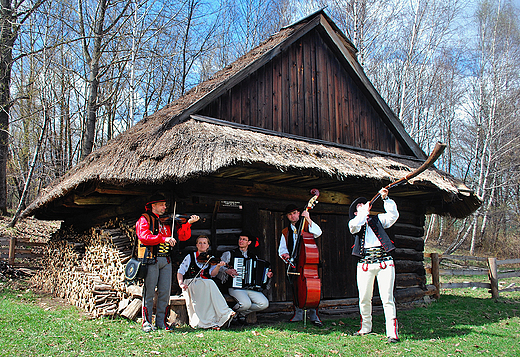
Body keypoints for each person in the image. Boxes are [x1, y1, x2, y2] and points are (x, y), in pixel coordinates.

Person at [135, 193, 200, 332]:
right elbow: (144, 236)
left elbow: (182, 236)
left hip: (166, 260)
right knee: (149, 292)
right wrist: (162, 239)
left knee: (165, 292)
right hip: (151, 259)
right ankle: (146, 322)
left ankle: (161, 322)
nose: (165, 207)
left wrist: (188, 224)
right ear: (153, 206)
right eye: (162, 205)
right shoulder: (144, 219)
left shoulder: (168, 221)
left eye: (165, 205)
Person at [348, 187, 400, 343]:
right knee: (364, 298)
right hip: (365, 265)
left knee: (387, 298)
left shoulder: (379, 220)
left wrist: (386, 199)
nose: (363, 206)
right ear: (356, 212)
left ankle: (392, 333)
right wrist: (363, 212)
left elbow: (393, 216)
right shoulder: (354, 223)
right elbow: (356, 223)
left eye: (364, 205)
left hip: (385, 263)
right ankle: (366, 327)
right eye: (359, 206)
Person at [177, 235, 236, 329]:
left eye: (204, 243)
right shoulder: (190, 256)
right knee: (210, 283)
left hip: (204, 284)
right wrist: (181, 283)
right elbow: (180, 271)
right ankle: (224, 312)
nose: (202, 245)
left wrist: (218, 266)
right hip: (192, 283)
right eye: (200, 243)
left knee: (209, 283)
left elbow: (212, 274)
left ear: (208, 245)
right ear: (196, 245)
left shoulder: (210, 258)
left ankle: (222, 315)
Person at [278, 203, 323, 327]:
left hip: (308, 264)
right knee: (295, 288)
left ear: (299, 213)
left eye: (294, 213)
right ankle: (297, 313)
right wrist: (286, 256)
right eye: (289, 214)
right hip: (295, 264)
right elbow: (282, 249)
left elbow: (318, 233)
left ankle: (314, 315)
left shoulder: (307, 225)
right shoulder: (286, 231)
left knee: (312, 289)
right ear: (287, 216)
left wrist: (308, 218)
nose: (292, 216)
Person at [217, 232, 273, 323]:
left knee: (264, 304)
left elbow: (258, 272)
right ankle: (230, 314)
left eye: (244, 239)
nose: (241, 241)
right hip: (235, 286)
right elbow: (218, 267)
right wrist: (227, 271)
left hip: (250, 287)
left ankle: (239, 314)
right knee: (245, 304)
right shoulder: (229, 254)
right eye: (240, 239)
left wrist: (266, 276)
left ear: (249, 242)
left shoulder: (253, 256)